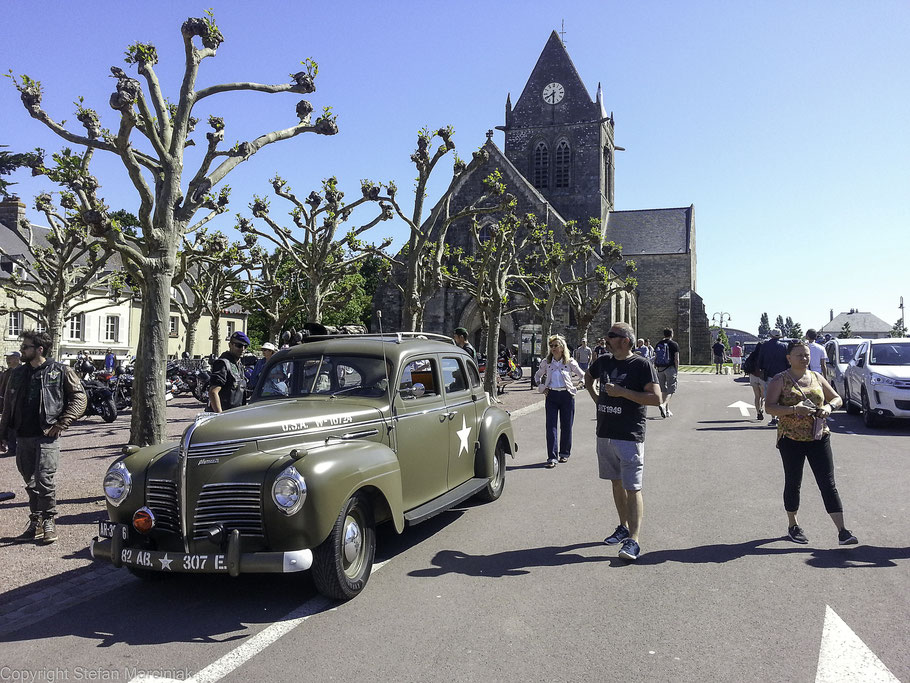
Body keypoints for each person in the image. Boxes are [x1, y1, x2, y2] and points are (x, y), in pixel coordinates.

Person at [764, 340, 857, 546]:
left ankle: (842, 531)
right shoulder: (780, 379)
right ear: (789, 358)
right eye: (799, 355)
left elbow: (837, 398)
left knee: (828, 483)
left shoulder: (816, 377)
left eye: (806, 355)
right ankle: (793, 525)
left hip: (818, 436)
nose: (805, 358)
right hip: (791, 439)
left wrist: (829, 408)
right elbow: (770, 407)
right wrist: (794, 409)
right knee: (794, 482)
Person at [0, 330, 87, 544]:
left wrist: (62, 423)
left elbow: (79, 397)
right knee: (29, 481)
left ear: (40, 349)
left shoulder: (60, 370)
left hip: (47, 435)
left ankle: (49, 521)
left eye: (26, 347)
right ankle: (36, 520)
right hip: (22, 435)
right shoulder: (17, 373)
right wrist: (2, 434)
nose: (21, 350)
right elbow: (7, 406)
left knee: (44, 479)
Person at [585, 322, 661, 562]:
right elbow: (588, 378)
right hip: (605, 433)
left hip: (629, 434)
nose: (607, 339)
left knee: (632, 487)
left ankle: (634, 540)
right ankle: (623, 527)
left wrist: (623, 393)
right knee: (616, 483)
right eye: (608, 335)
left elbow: (656, 399)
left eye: (612, 335)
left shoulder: (641, 365)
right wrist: (597, 398)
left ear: (626, 340)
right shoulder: (604, 361)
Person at [534, 335, 585, 468]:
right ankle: (552, 457)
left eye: (556, 346)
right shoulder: (547, 362)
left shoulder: (570, 362)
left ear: (562, 347)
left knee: (566, 426)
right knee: (551, 427)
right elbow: (537, 375)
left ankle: (564, 453)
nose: (553, 348)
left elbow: (583, 376)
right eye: (551, 346)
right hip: (551, 395)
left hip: (566, 395)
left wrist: (578, 386)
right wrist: (541, 387)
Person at [208, 331, 251, 413]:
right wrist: (220, 415)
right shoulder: (223, 363)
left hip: (236, 413)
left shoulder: (238, 364)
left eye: (245, 346)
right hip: (225, 414)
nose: (242, 349)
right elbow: (213, 392)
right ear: (230, 345)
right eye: (239, 345)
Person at [757, 329, 790, 426]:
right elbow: (788, 361)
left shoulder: (765, 346)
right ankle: (781, 417)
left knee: (770, 396)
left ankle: (773, 418)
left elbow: (760, 360)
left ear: (771, 335)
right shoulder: (785, 346)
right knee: (782, 395)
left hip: (769, 374)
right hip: (783, 374)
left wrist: (761, 369)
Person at [654, 328, 680, 418]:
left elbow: (656, 357)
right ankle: (664, 405)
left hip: (660, 368)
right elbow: (676, 359)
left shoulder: (659, 343)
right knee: (671, 389)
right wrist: (677, 370)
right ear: (671, 334)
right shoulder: (674, 344)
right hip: (670, 368)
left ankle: (667, 410)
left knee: (663, 389)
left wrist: (656, 367)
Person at [744, 340, 766, 420]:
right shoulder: (764, 356)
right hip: (762, 376)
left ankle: (758, 412)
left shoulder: (752, 355)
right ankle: (761, 408)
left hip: (753, 376)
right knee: (763, 396)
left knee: (757, 396)